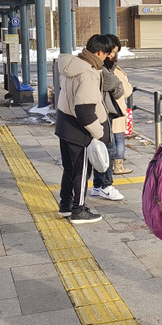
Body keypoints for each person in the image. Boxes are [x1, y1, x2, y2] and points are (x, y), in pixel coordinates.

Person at [54, 35, 114, 224]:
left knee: (70, 169)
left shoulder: (72, 65)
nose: (107, 57)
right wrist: (99, 132)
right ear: (98, 53)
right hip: (81, 131)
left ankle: (66, 205)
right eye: (107, 54)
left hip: (66, 125)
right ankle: (78, 210)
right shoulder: (87, 73)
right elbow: (85, 110)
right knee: (81, 171)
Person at [91, 35, 127, 201]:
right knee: (107, 150)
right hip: (100, 114)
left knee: (100, 149)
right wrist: (116, 82)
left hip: (101, 112)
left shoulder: (103, 67)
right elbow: (118, 88)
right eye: (111, 52)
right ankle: (106, 185)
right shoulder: (100, 70)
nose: (112, 56)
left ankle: (98, 186)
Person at [104, 34, 134, 176]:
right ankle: (118, 166)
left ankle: (108, 167)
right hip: (116, 109)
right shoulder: (113, 70)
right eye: (114, 51)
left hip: (106, 110)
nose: (115, 55)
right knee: (118, 139)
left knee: (110, 140)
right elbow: (126, 91)